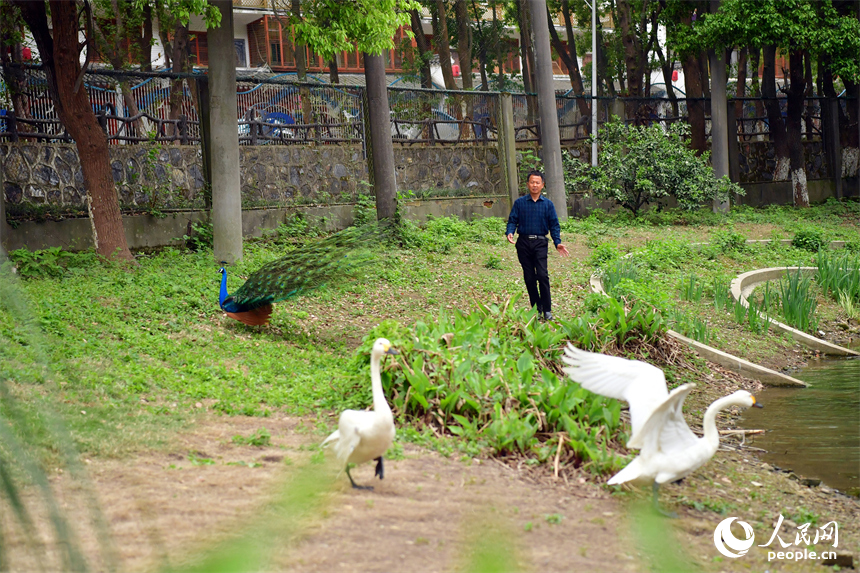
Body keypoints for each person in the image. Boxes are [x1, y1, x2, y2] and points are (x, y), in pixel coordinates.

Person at [505, 170, 570, 320]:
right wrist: (510, 232)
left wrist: (557, 242)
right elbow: (512, 220)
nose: (534, 185)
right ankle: (537, 308)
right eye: (532, 182)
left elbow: (554, 225)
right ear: (528, 184)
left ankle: (547, 310)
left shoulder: (548, 205)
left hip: (540, 243)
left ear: (542, 185)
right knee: (529, 277)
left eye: (537, 182)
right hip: (523, 243)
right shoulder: (520, 203)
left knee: (542, 275)